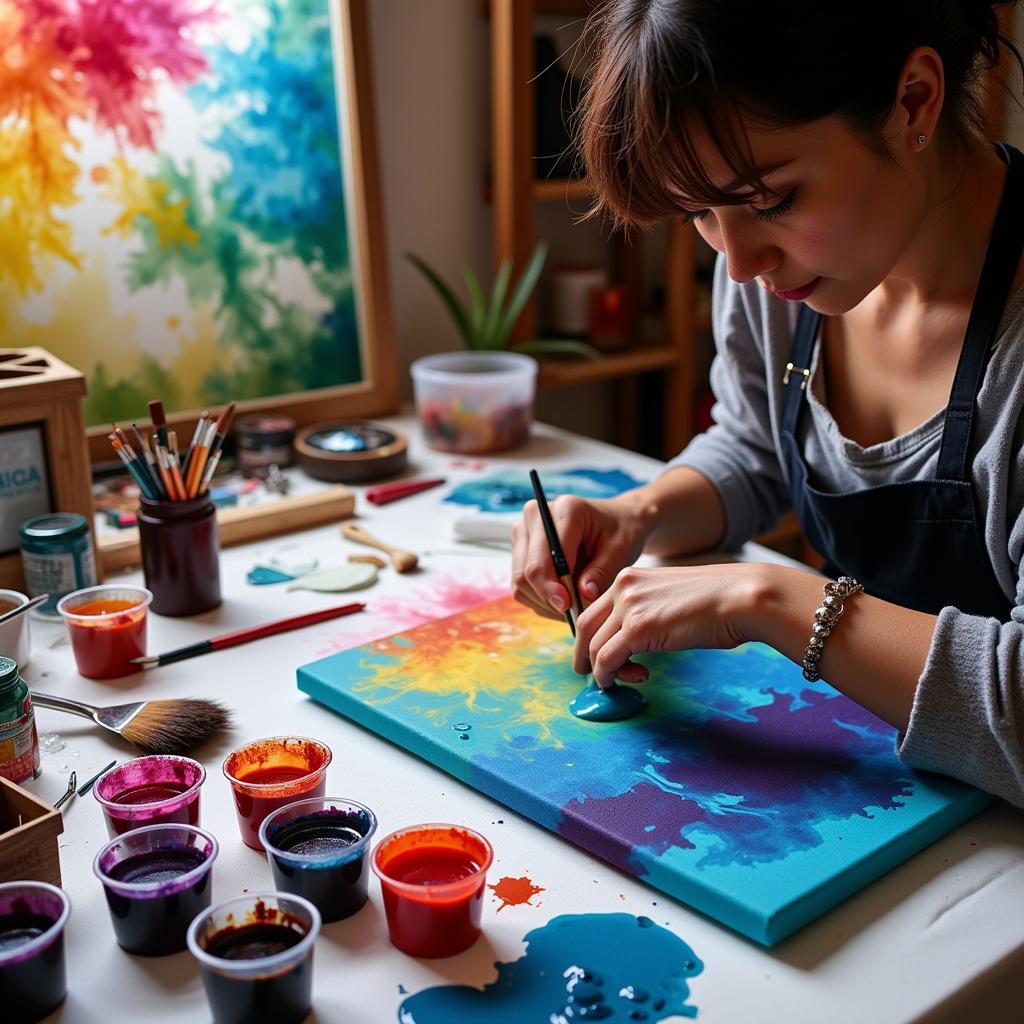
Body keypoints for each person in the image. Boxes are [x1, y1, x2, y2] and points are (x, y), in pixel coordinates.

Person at [511, 1, 1024, 807]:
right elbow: (757, 450)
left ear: (914, 100)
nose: (740, 262)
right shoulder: (784, 273)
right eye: (698, 213)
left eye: (771, 199)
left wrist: (774, 601)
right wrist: (638, 516)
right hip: (882, 800)